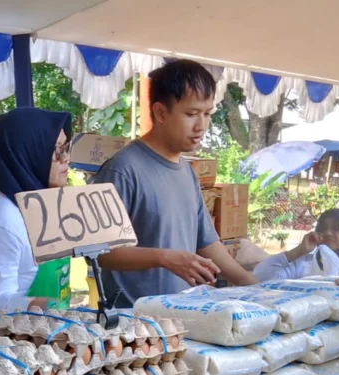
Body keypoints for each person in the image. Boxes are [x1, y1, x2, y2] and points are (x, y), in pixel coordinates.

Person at [91, 59, 256, 307]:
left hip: (183, 315)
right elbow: (102, 252)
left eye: (207, 114)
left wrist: (253, 284)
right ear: (160, 112)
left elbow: (207, 242)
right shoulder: (122, 170)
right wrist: (165, 258)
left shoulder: (187, 172)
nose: (202, 126)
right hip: (134, 321)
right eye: (191, 114)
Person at [0, 108, 73, 325]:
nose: (66, 158)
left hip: (44, 330)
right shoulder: (1, 219)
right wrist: (43, 305)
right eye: (57, 150)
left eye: (66, 147)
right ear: (29, 153)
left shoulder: (42, 205)